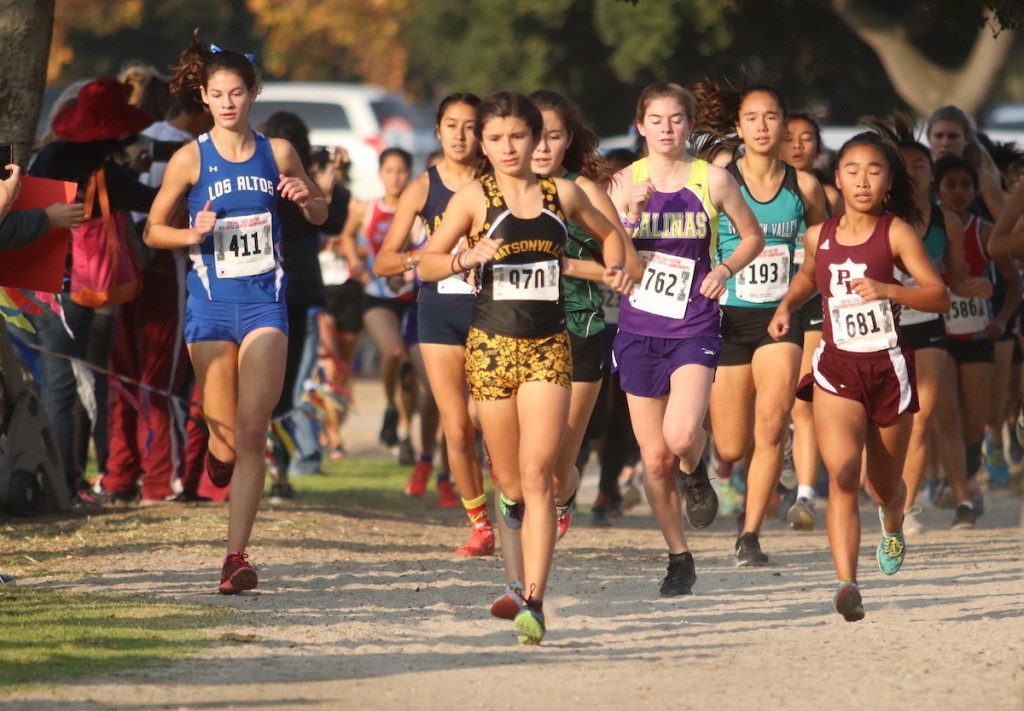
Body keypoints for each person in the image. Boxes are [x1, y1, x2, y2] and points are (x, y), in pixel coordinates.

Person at [418, 91, 633, 645]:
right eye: (496, 138)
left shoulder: (563, 193)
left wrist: (616, 267)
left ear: (536, 138)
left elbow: (613, 236)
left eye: (518, 136)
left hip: (547, 349)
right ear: (484, 145)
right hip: (490, 348)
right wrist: (466, 257)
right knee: (509, 481)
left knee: (538, 475)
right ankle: (514, 580)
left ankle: (534, 599)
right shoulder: (471, 199)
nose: (508, 147)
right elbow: (427, 264)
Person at [143, 31, 328, 594]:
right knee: (224, 442)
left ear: (253, 94)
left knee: (253, 433)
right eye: (217, 94)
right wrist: (189, 231)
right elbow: (152, 231)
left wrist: (305, 197)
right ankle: (216, 457)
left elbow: (320, 213)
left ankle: (235, 557)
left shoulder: (279, 153)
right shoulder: (189, 158)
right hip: (210, 309)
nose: (227, 102)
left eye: (237, 93)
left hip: (265, 306)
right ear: (204, 97)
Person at [768, 132, 949, 621]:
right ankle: (847, 583)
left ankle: (892, 522)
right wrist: (788, 304)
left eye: (874, 171)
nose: (862, 180)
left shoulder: (896, 233)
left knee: (883, 488)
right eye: (852, 170)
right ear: (838, 178)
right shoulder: (818, 235)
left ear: (889, 181)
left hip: (888, 368)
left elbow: (939, 296)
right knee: (844, 473)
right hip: (837, 368)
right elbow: (810, 275)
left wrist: (890, 289)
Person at [608, 81, 764, 595]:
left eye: (676, 119)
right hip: (637, 328)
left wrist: (724, 267)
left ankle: (695, 469)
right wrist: (629, 215)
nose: (667, 128)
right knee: (653, 459)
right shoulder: (620, 182)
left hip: (693, 324)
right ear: (641, 126)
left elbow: (752, 235)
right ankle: (679, 557)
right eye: (657, 120)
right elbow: (609, 256)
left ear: (690, 126)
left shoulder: (712, 180)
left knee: (679, 439)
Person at [701, 84, 827, 565]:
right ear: (738, 127)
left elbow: (820, 255)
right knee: (731, 443)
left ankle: (749, 535)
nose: (761, 126)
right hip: (728, 317)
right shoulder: (716, 181)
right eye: (751, 118)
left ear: (784, 125)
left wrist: (799, 299)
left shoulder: (805, 187)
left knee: (773, 425)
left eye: (770, 117)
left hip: (782, 317)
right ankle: (704, 470)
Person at [26, 77, 158, 505]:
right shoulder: (108, 173)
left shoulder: (47, 158)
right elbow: (150, 199)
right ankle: (70, 481)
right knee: (84, 386)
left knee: (57, 390)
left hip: (48, 286)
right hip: (92, 285)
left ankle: (60, 480)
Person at [373, 93, 496, 555]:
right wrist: (421, 256)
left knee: (492, 420)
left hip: (495, 312)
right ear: (438, 131)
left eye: (469, 126)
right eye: (451, 125)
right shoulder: (422, 189)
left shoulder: (499, 180)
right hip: (440, 312)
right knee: (458, 425)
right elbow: (384, 261)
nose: (461, 135)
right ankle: (481, 525)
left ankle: (514, 505)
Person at [860, 115, 991, 536]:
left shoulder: (945, 221)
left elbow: (951, 281)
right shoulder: (879, 218)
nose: (914, 170)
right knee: (889, 419)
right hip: (886, 326)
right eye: (905, 164)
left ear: (931, 172)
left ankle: (904, 508)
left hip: (931, 323)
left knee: (925, 413)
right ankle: (887, 491)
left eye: (921, 165)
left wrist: (976, 288)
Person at [260, 112, 348, 500]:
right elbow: (331, 223)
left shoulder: (260, 175)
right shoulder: (304, 183)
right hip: (299, 291)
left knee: (260, 385)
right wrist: (333, 186)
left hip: (263, 288)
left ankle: (265, 466)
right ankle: (280, 471)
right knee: (286, 385)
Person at [932, 154, 1020, 528]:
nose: (958, 192)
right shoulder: (927, 229)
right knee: (947, 415)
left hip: (978, 334)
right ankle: (963, 496)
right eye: (951, 185)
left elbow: (1015, 283)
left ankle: (969, 470)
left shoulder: (984, 232)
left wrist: (1001, 320)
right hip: (940, 335)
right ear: (937, 189)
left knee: (974, 425)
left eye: (966, 185)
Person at [780, 112, 844, 530]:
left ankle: (805, 494)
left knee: (804, 400)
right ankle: (775, 455)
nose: (798, 145)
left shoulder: (832, 198)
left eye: (807, 138)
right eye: (790, 138)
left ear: (819, 148)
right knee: (765, 408)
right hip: (758, 306)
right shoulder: (741, 190)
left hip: (815, 303)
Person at [339, 148, 417, 460]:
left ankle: (406, 432)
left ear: (409, 174)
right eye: (390, 170)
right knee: (394, 351)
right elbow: (346, 235)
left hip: (411, 296)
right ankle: (388, 404)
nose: (396, 177)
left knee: (410, 368)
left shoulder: (418, 209)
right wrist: (354, 262)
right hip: (376, 295)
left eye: (401, 171)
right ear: (381, 174)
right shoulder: (366, 209)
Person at [927, 105, 1006, 220]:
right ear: (929, 138)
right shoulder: (921, 176)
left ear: (967, 139)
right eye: (939, 136)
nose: (945, 143)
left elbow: (1005, 227)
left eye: (952, 136)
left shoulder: (982, 179)